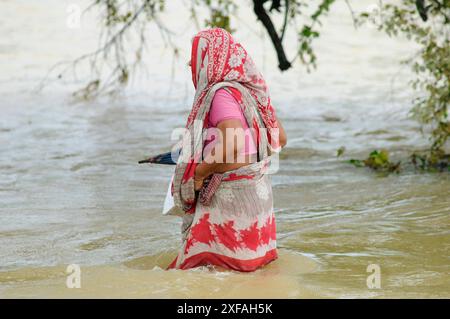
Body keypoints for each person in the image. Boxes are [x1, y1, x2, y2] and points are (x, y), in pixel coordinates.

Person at [168, 28, 287, 272]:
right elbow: (279, 140)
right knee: (250, 276)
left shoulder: (220, 94)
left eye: (197, 55)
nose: (191, 63)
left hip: (229, 201)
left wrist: (200, 173)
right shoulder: (251, 93)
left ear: (211, 59)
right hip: (257, 201)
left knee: (196, 273)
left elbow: (233, 143)